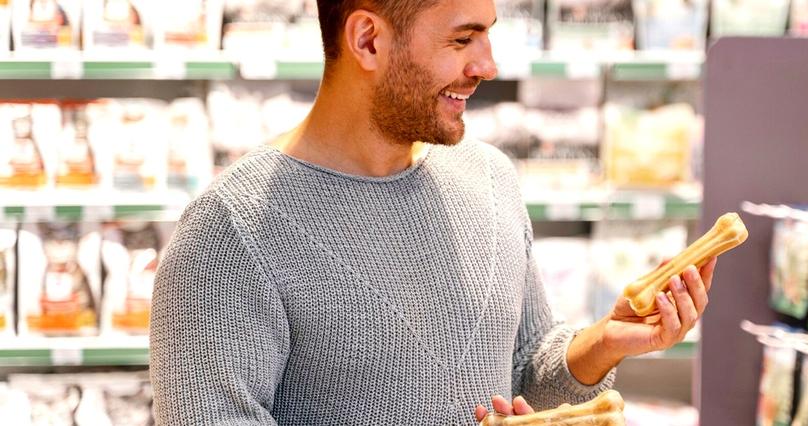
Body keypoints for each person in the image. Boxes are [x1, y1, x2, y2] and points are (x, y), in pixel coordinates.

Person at [149, 0, 717, 424]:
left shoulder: (490, 179)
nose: (488, 64)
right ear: (369, 40)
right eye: (463, 39)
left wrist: (606, 343)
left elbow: (520, 370)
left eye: (488, 34)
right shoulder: (228, 236)